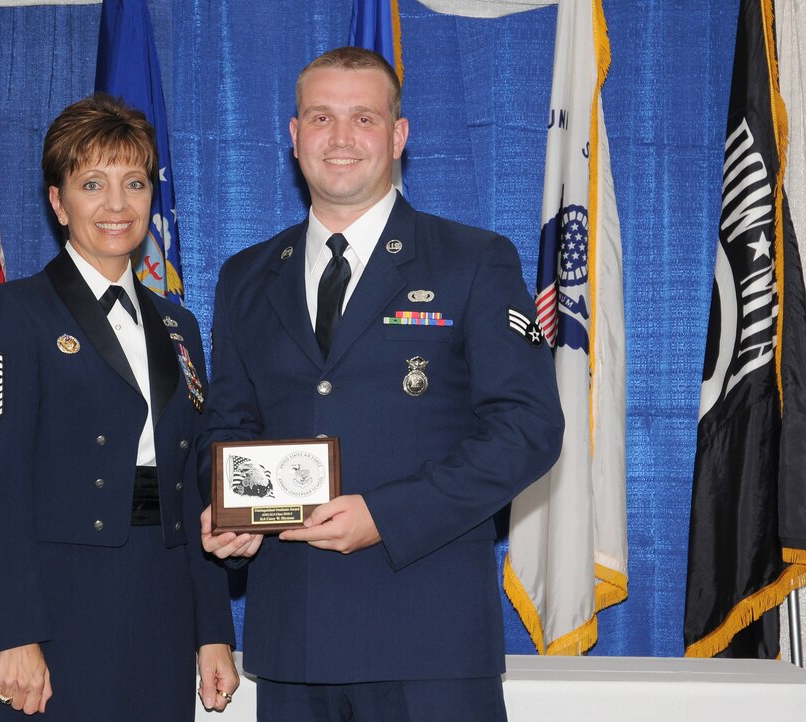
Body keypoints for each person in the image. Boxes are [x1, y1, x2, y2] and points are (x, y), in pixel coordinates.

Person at [200, 47, 564, 721]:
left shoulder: (473, 261)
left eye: (363, 118)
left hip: (427, 642)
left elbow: (528, 429)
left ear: (398, 135)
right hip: (293, 645)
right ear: (294, 134)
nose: (340, 139)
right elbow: (227, 424)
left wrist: (386, 516)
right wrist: (232, 512)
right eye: (321, 117)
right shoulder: (246, 277)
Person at [0, 93, 238, 721]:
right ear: (59, 202)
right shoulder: (16, 313)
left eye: (133, 183)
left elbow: (192, 486)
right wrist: (13, 631)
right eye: (93, 184)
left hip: (162, 604)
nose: (117, 205)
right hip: (58, 606)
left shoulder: (179, 326)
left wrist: (213, 627)